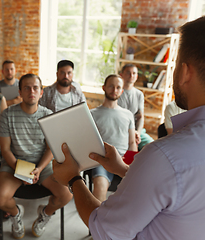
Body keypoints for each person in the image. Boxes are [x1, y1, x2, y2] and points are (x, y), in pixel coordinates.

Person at [53, 16, 205, 239]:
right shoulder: (167, 162)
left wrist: (73, 178)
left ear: (184, 72)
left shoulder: (165, 156)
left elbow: (104, 229)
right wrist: (123, 168)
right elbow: (173, 190)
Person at [0, 73, 72, 239]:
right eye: (27, 88)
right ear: (20, 92)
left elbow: (50, 149)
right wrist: (22, 171)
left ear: (41, 92)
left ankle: (45, 213)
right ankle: (15, 214)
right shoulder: (7, 115)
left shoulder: (48, 114)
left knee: (67, 194)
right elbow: (6, 150)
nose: (31, 91)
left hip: (42, 165)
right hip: (13, 164)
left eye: (35, 88)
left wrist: (38, 169)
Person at [90, 74, 137, 202]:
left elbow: (132, 142)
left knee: (138, 192)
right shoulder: (92, 114)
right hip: (103, 161)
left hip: (124, 160)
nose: (114, 90)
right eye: (111, 86)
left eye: (118, 87)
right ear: (104, 87)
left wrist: (128, 161)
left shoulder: (128, 115)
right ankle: (97, 221)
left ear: (122, 91)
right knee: (99, 190)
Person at [118, 63, 154, 150]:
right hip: (120, 130)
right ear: (121, 75)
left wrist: (137, 132)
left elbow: (140, 117)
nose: (131, 75)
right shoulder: (116, 92)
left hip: (136, 131)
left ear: (137, 76)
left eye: (134, 73)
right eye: (128, 73)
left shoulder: (139, 94)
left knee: (153, 146)